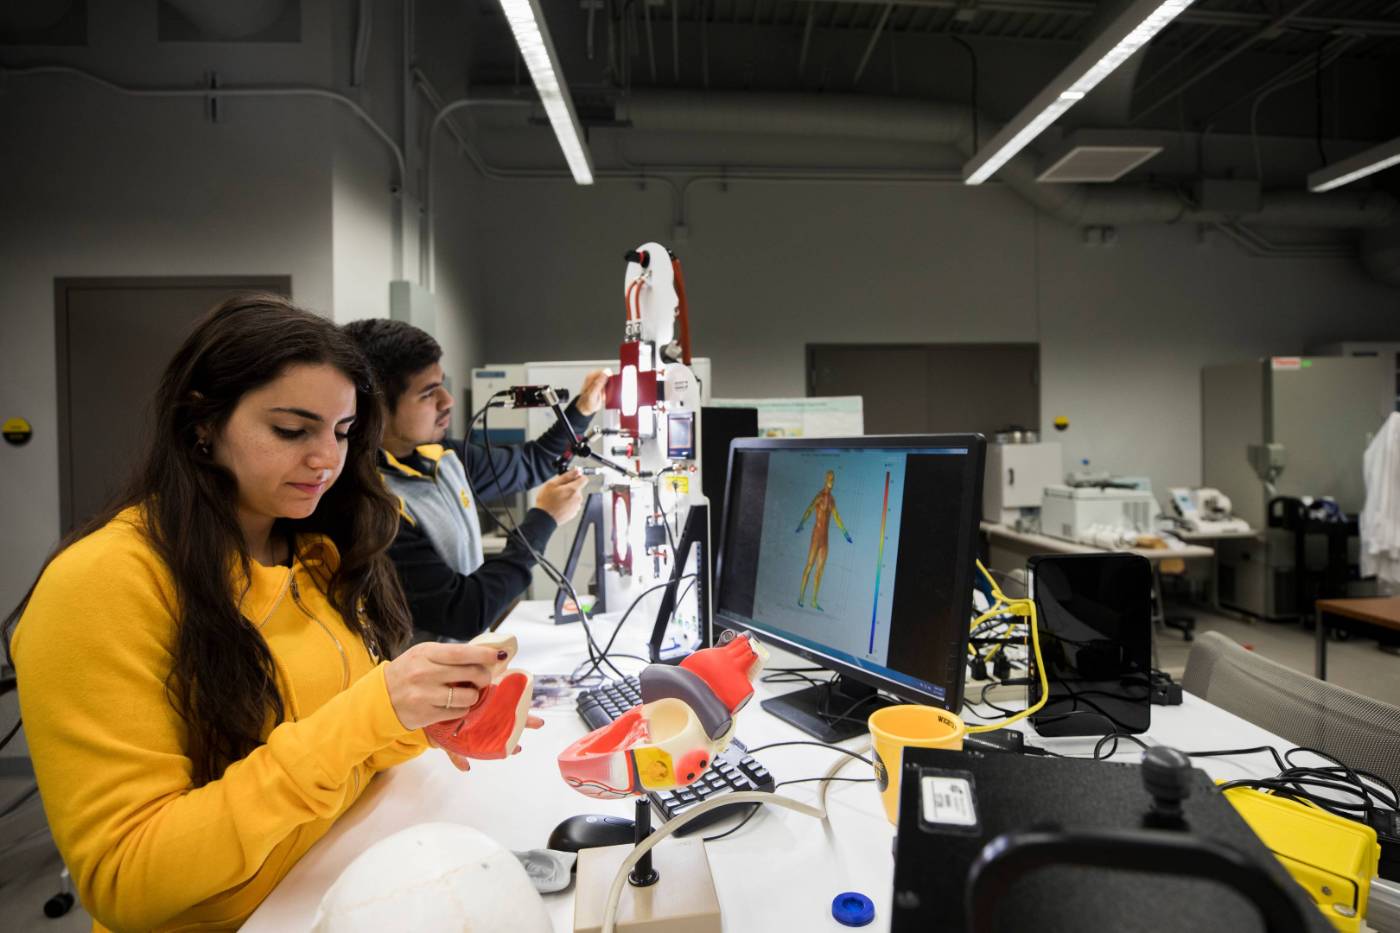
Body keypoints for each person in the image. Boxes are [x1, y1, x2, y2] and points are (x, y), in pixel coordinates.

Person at [5, 295, 536, 931]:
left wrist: (428, 715)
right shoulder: (101, 583)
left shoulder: (311, 550)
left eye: (342, 432)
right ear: (202, 421)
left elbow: (334, 747)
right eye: (291, 430)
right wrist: (376, 708)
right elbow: (128, 879)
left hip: (331, 882)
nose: (327, 461)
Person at [342, 319, 607, 641]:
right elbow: (461, 613)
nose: (447, 400)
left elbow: (533, 461)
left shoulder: (442, 457)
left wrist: (582, 409)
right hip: (418, 685)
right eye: (428, 393)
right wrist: (543, 520)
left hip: (462, 667)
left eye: (442, 384)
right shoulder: (372, 504)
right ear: (376, 407)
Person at [796, 470, 854, 610]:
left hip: (825, 539)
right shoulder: (819, 496)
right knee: (809, 565)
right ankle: (801, 597)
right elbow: (810, 509)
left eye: (833, 479)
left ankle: (814, 600)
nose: (831, 482)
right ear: (825, 479)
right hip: (816, 536)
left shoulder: (832, 501)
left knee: (820, 570)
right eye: (829, 479)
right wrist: (801, 523)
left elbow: (836, 517)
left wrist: (845, 533)